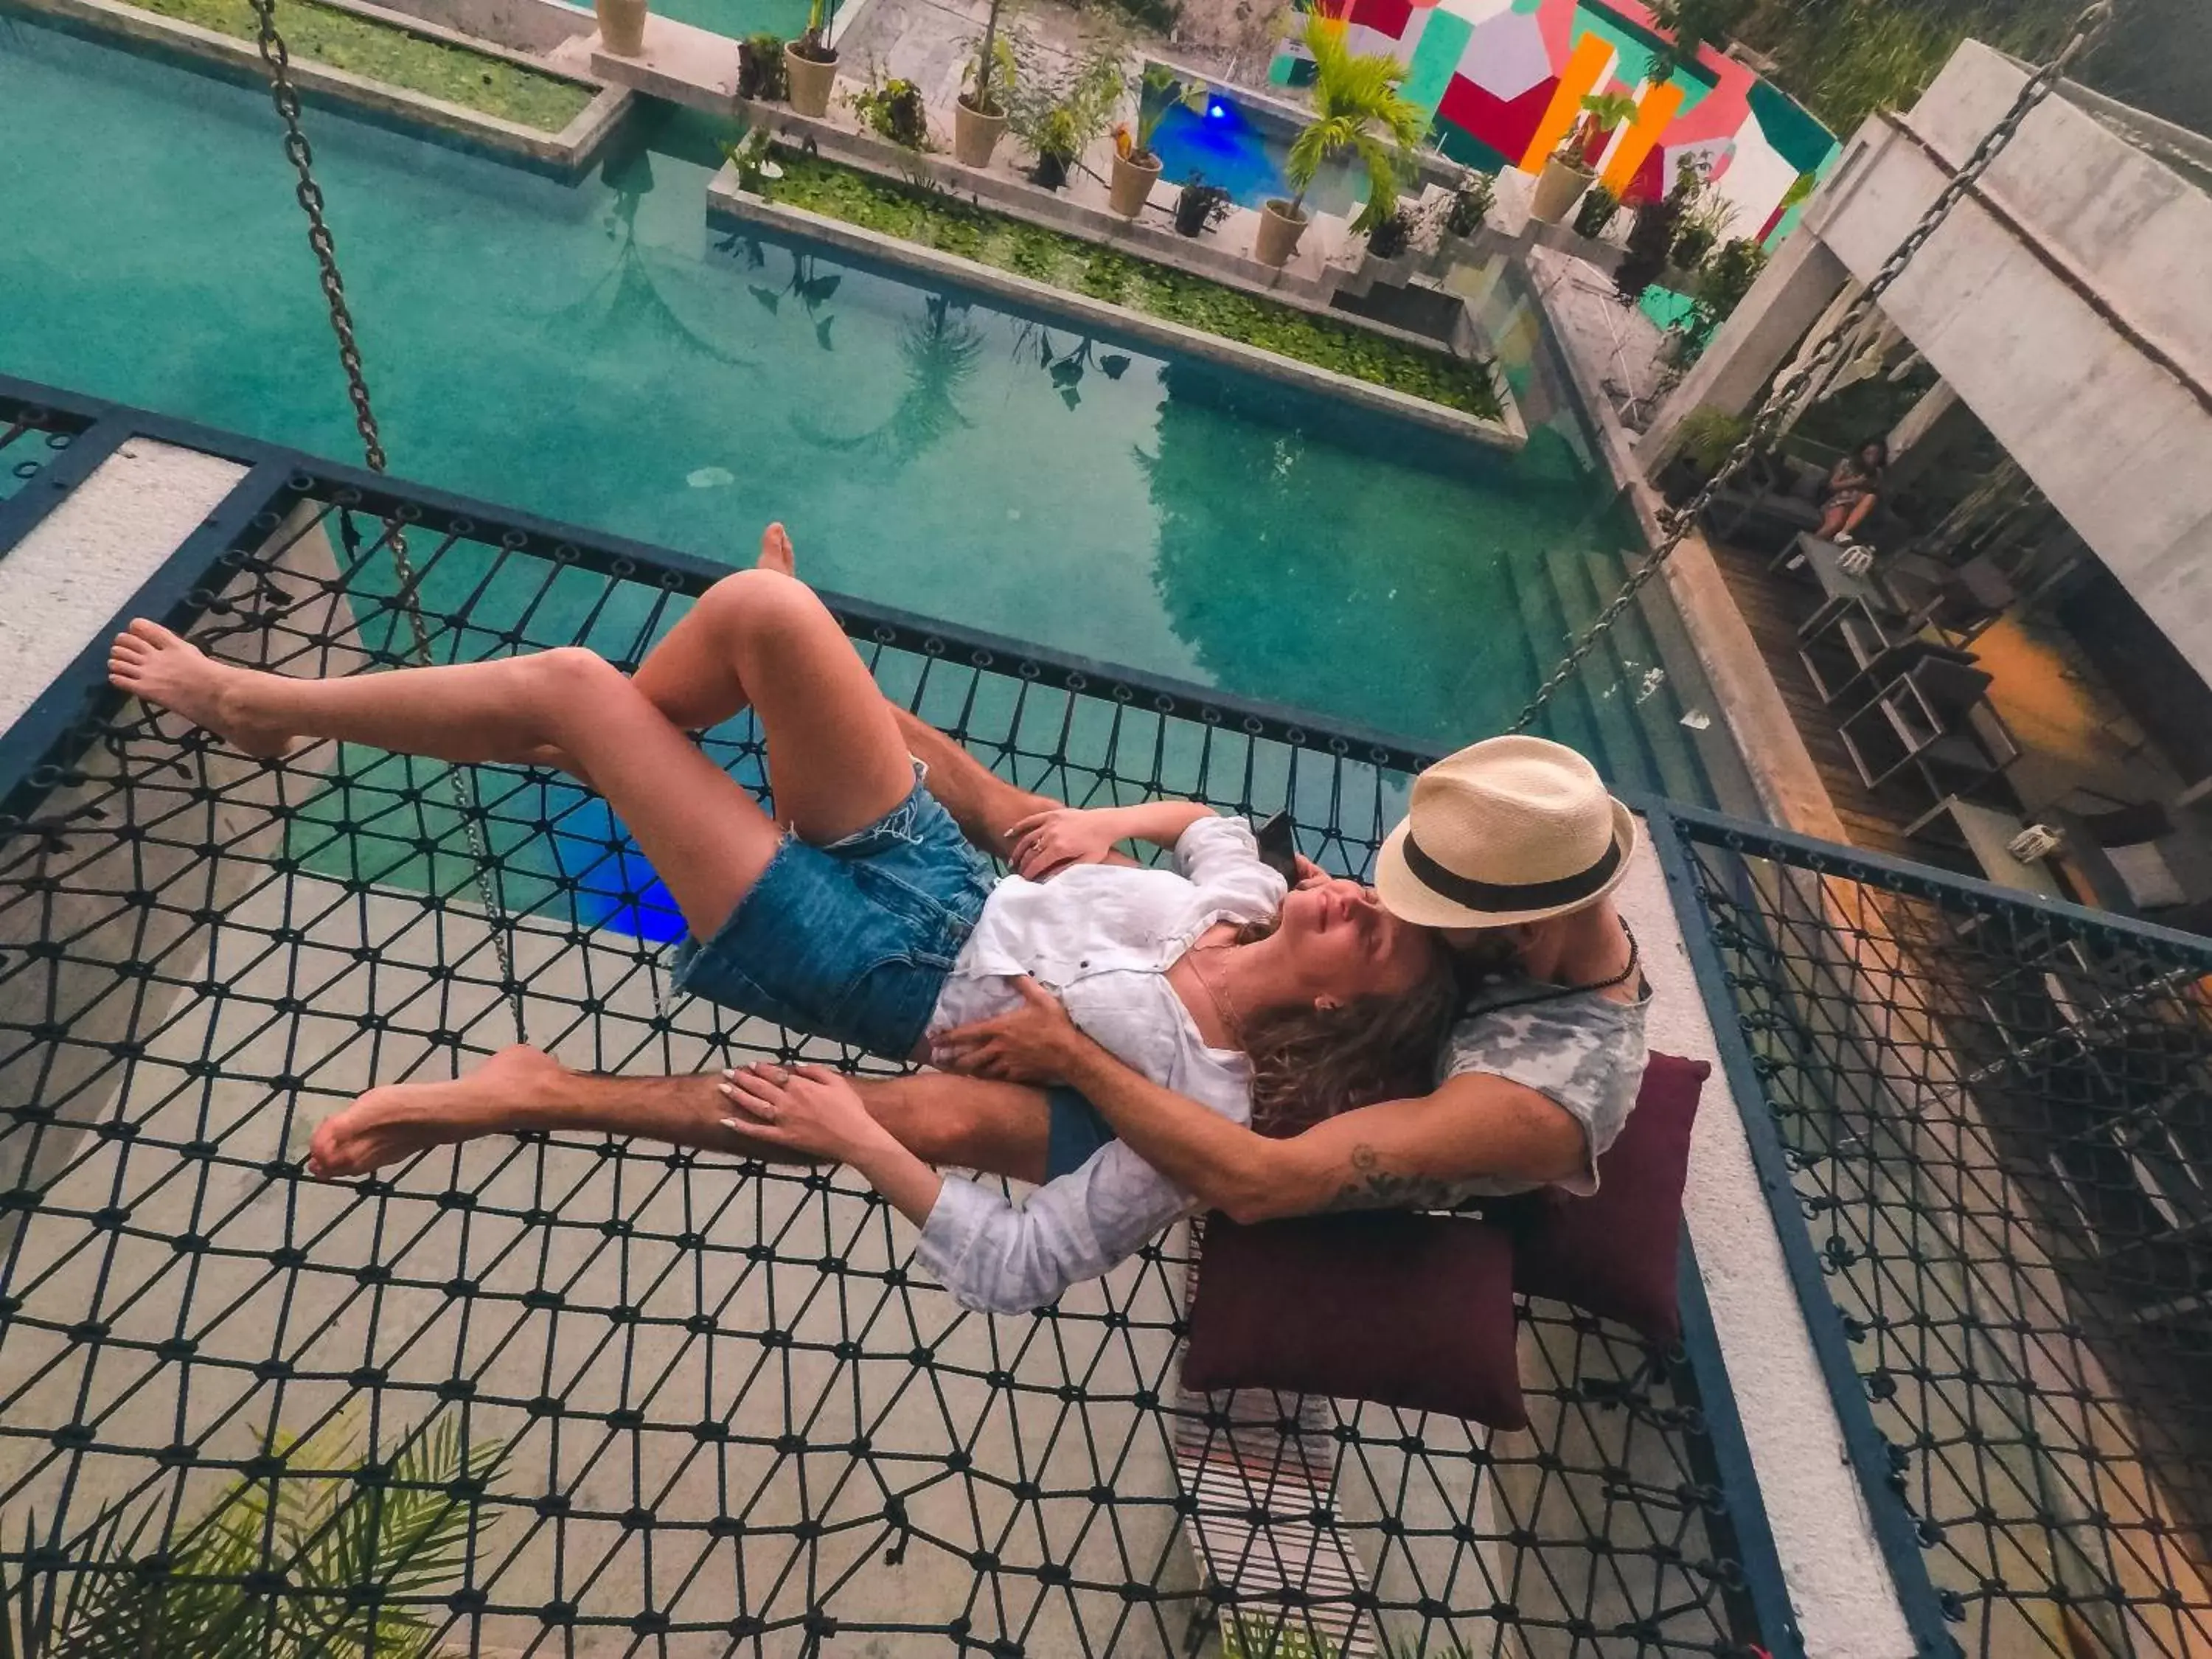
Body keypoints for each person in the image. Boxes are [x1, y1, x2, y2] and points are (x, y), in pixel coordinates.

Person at [107, 525, 1454, 1314]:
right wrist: (1117, 821)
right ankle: (621, 753)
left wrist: (863, 1136)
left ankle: (263, 711)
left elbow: (1024, 1264)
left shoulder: (1197, 1102)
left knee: (580, 685)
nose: (1339, 890)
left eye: (1368, 929)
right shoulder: (1249, 898)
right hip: (936, 865)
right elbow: (1217, 821)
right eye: (1361, 888)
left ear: (1342, 1003)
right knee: (766, 611)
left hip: (865, 964)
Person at [1817, 437, 1888, 543]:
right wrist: (1855, 482)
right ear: (1862, 452)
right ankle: (1803, 553)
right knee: (1834, 525)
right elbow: (1832, 485)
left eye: (1877, 455)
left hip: (1858, 508)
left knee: (1871, 497)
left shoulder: (1877, 473)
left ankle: (1843, 534)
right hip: (1839, 502)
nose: (1872, 459)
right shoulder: (1847, 463)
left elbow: (1877, 495)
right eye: (1869, 454)